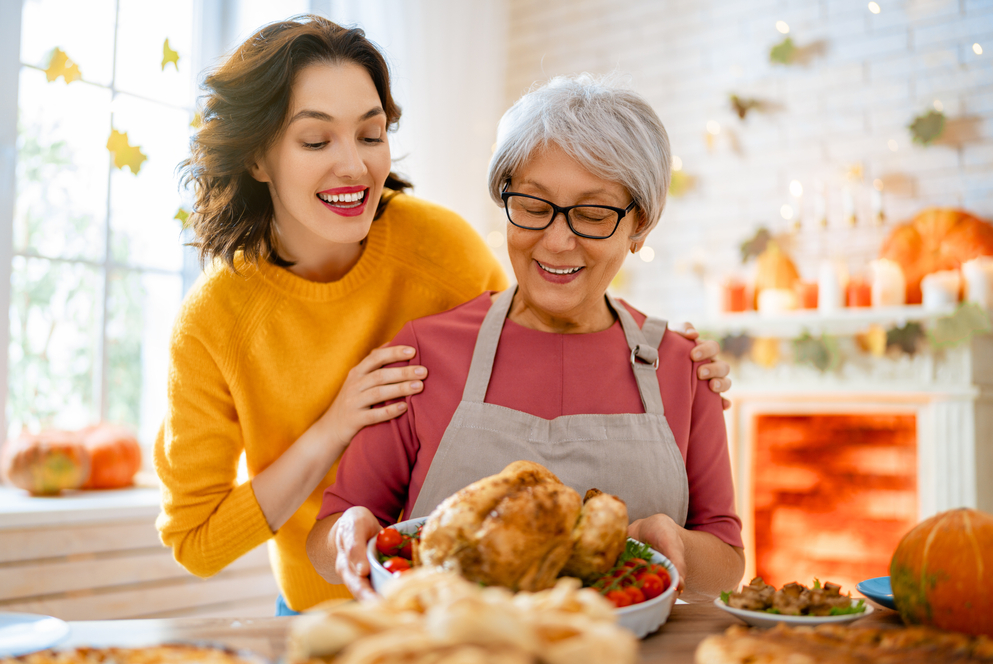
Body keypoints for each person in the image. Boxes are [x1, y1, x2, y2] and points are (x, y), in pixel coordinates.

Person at [154, 16, 732, 615]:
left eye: (370, 133)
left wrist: (677, 362)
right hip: (338, 603)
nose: (352, 167)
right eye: (316, 140)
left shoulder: (439, 248)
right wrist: (335, 426)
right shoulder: (214, 321)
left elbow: (536, 318)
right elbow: (197, 542)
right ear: (258, 159)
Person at [307, 73, 745, 603]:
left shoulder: (682, 365)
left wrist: (672, 545)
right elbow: (333, 530)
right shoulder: (427, 351)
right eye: (534, 207)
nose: (557, 241)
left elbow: (725, 560)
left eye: (593, 214)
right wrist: (346, 532)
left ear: (640, 226)